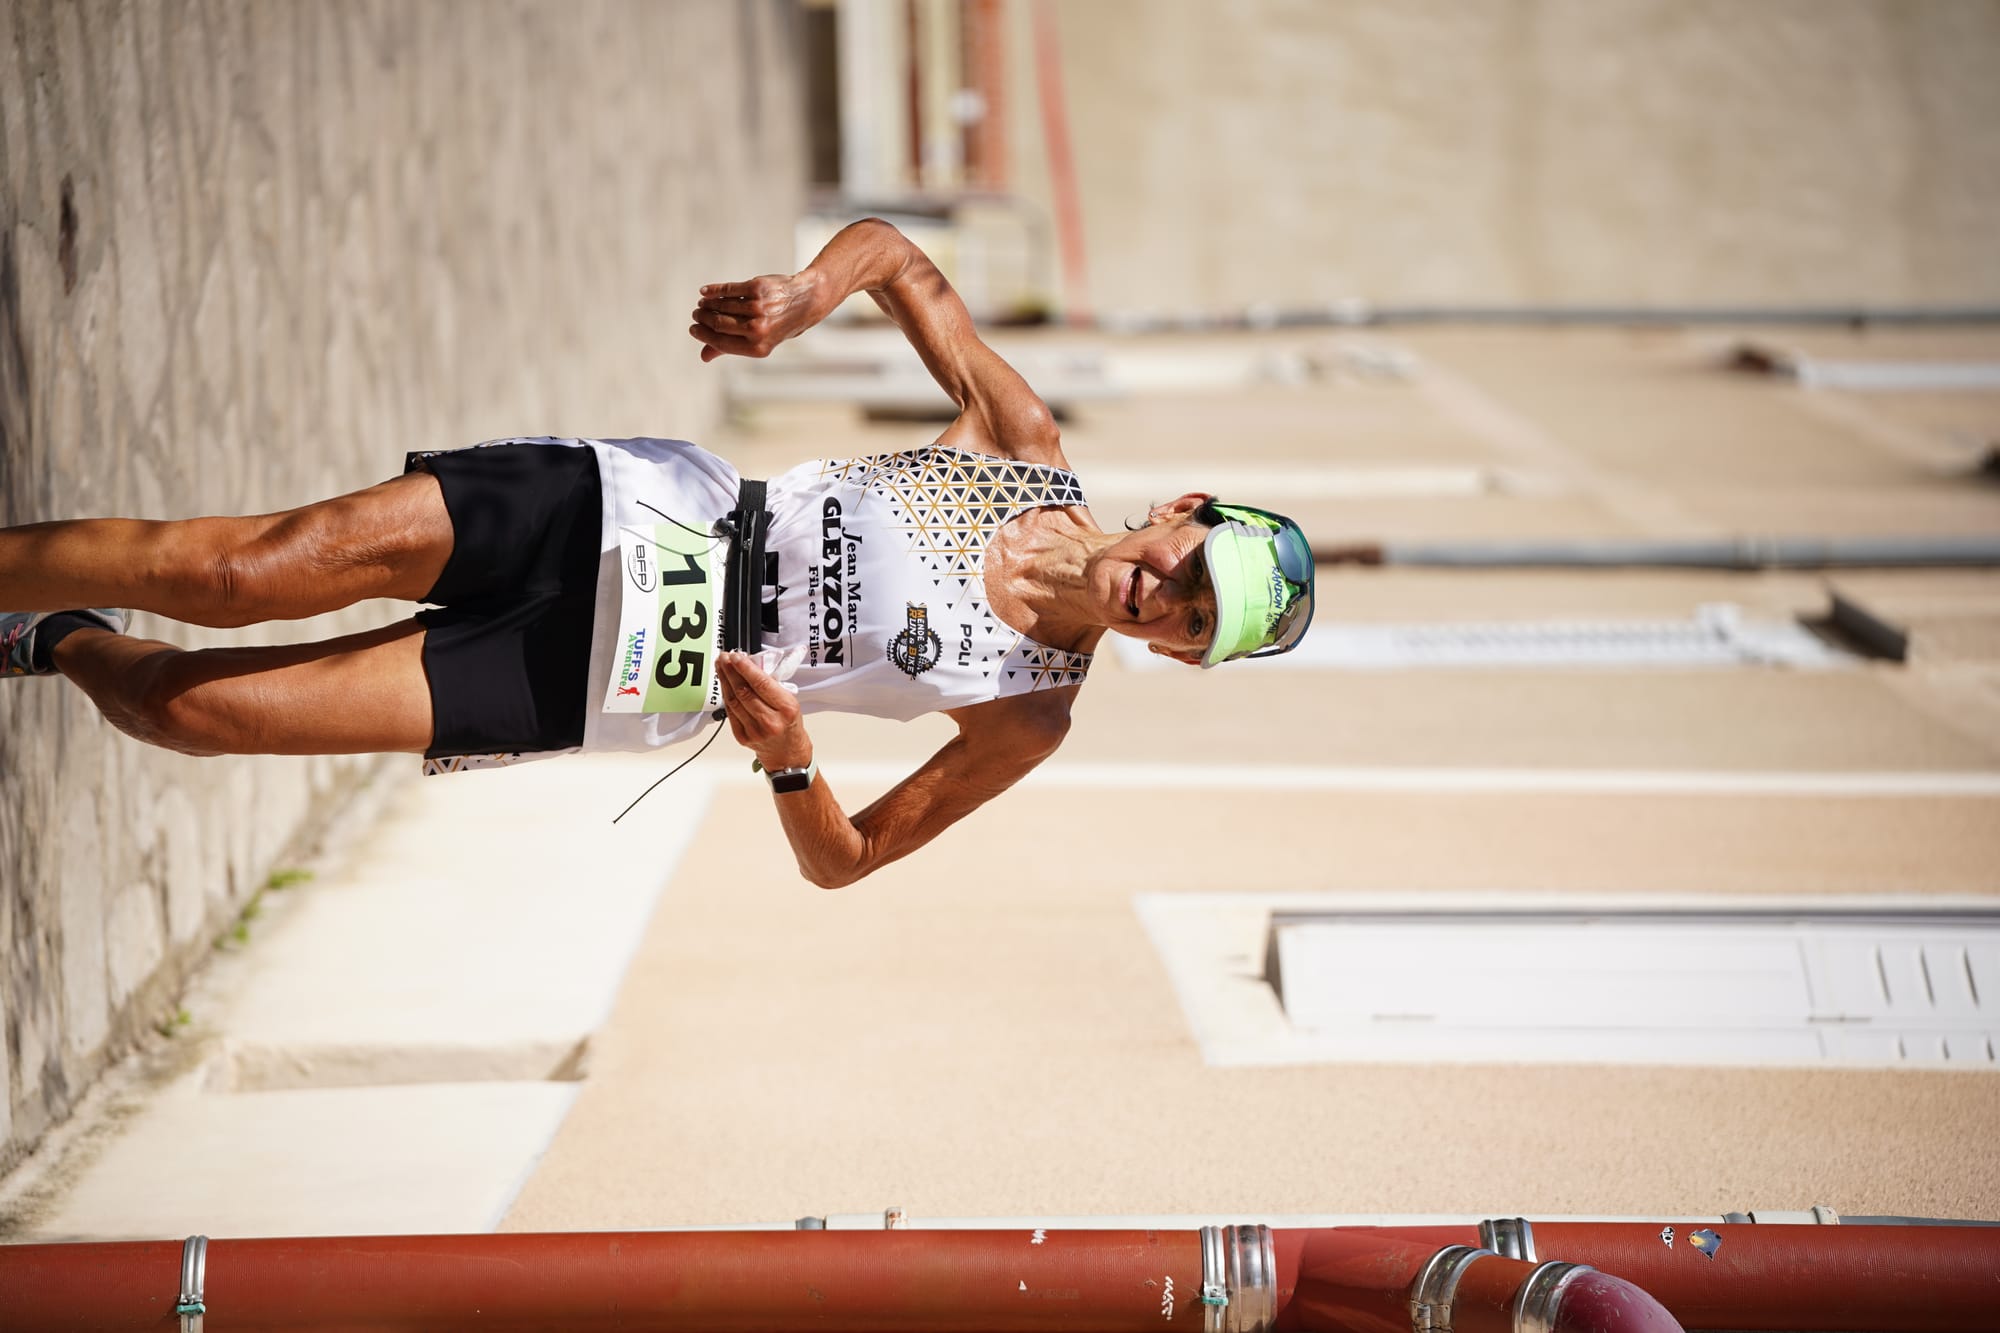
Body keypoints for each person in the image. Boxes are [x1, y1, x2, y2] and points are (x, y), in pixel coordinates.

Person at [1, 219, 1314, 886]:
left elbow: (846, 860)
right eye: (1196, 569)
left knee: (196, 713)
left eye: (1196, 626)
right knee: (236, 573)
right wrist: (805, 296)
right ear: (1184, 508)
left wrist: (791, 760)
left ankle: (53, 637)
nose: (1172, 600)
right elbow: (901, 262)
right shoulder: (1021, 444)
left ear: (1177, 659)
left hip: (618, 680)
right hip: (625, 509)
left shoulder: (1029, 715)